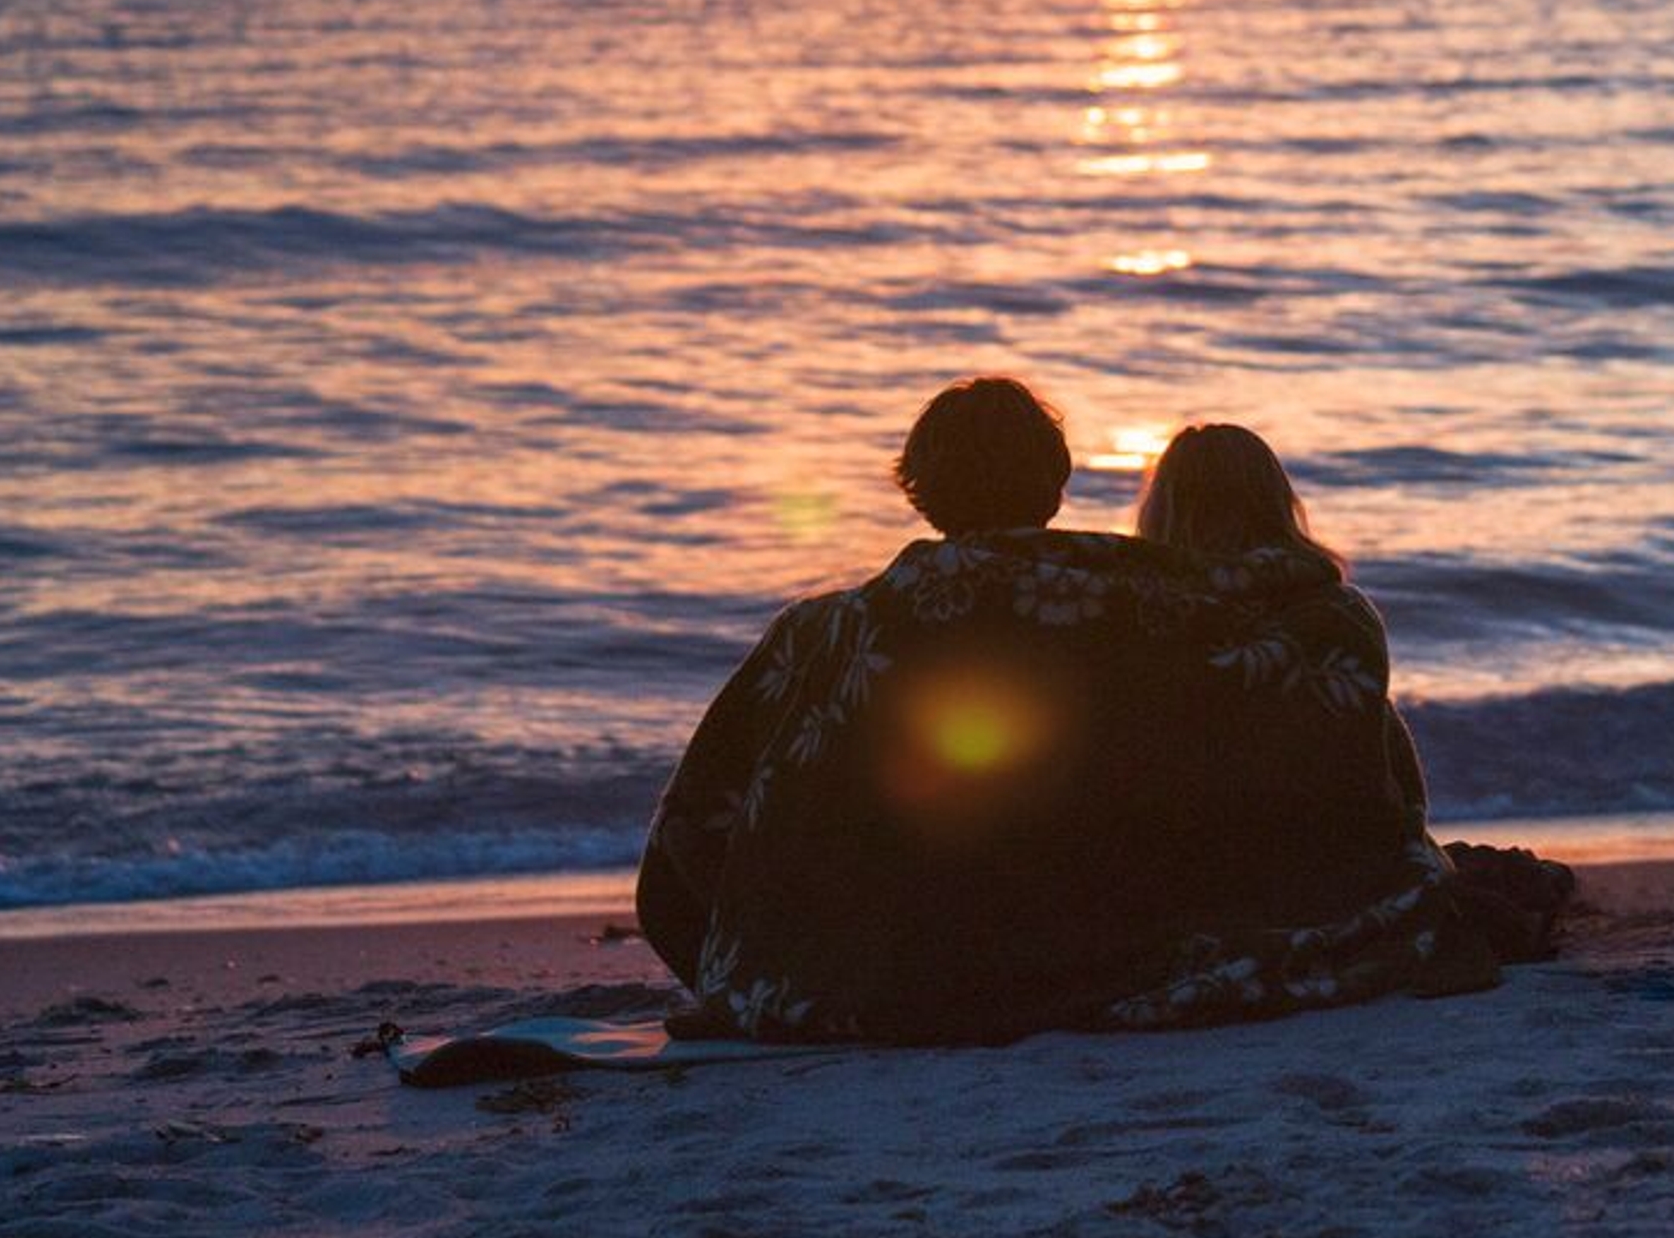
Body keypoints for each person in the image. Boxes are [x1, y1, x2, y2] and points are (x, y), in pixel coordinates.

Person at [635, 378, 1500, 1044]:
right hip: (1052, 930)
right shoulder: (1130, 594)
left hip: (857, 962)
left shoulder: (822, 630)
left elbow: (695, 826)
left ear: (918, 491)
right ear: (1056, 482)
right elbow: (1297, 644)